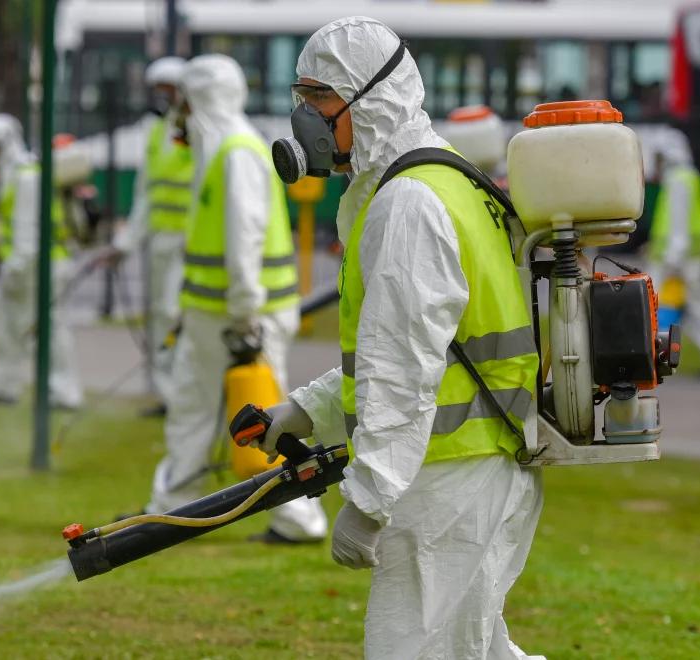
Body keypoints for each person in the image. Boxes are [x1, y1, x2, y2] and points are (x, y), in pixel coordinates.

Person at [255, 17, 543, 658]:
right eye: (300, 98)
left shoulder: (407, 203)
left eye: (320, 98)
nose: (305, 116)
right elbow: (423, 351)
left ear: (371, 97)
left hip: (448, 486)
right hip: (479, 469)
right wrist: (305, 411)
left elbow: (404, 367)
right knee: (480, 651)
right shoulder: (446, 177)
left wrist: (369, 498)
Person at [143, 54, 327, 544]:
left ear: (197, 99)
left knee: (264, 420)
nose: (176, 112)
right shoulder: (222, 149)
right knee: (195, 408)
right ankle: (170, 512)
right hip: (218, 314)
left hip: (243, 315)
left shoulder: (235, 152)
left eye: (182, 99)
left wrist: (245, 311)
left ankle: (298, 519)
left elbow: (244, 236)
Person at [0, 113, 83, 410]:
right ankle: (5, 384)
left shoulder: (26, 176)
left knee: (46, 329)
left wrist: (13, 270)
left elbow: (28, 236)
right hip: (30, 265)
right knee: (4, 322)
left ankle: (61, 392)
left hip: (38, 266)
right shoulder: (16, 173)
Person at [113, 56, 194, 416]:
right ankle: (169, 394)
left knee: (178, 315)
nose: (163, 98)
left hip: (192, 244)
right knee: (162, 316)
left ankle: (184, 393)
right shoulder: (157, 133)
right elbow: (146, 193)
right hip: (161, 241)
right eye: (159, 91)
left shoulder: (199, 132)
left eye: (169, 91)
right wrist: (126, 243)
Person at [647, 129, 700, 375]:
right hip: (686, 256)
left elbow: (678, 224)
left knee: (671, 304)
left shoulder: (677, 179)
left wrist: (673, 259)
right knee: (693, 305)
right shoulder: (687, 176)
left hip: (678, 258)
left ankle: (658, 357)